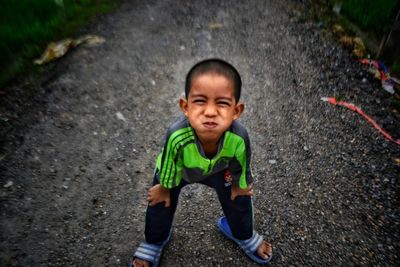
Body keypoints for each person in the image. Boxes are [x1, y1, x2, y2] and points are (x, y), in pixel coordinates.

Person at [131, 59, 272, 267]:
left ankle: (242, 233)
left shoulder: (239, 136)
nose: (210, 112)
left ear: (236, 111)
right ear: (185, 107)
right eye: (200, 101)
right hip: (178, 171)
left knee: (239, 196)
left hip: (220, 169)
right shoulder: (176, 135)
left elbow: (241, 164)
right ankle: (154, 239)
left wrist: (239, 184)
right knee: (160, 198)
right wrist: (163, 187)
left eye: (222, 103)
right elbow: (169, 162)